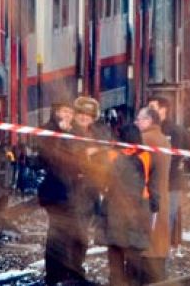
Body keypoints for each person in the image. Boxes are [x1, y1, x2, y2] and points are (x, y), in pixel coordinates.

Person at [147, 96, 190, 245]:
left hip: (171, 185)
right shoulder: (147, 131)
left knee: (165, 223)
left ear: (163, 110)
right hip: (152, 185)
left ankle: (161, 260)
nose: (148, 111)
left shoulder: (176, 131)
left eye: (152, 107)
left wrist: (187, 166)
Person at [37, 101, 85, 285]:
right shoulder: (48, 131)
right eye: (65, 111)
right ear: (56, 112)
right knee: (58, 234)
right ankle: (55, 274)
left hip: (70, 190)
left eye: (71, 112)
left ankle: (66, 272)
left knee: (69, 233)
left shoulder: (72, 131)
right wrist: (64, 136)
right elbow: (50, 157)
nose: (68, 115)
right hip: (55, 191)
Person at [104, 124, 155, 286]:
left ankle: (116, 283)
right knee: (134, 251)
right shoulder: (146, 155)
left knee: (115, 251)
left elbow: (106, 179)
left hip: (115, 208)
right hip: (139, 208)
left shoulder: (112, 155)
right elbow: (150, 181)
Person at [69, 95, 111, 283]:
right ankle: (73, 271)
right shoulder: (70, 132)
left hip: (92, 188)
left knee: (84, 231)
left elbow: (106, 153)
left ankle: (77, 269)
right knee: (76, 232)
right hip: (75, 189)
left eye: (88, 114)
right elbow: (72, 155)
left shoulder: (98, 132)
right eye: (81, 114)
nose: (84, 117)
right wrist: (89, 153)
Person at [135, 107, 171, 284]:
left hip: (147, 199)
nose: (137, 123)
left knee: (147, 244)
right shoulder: (163, 138)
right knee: (158, 243)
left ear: (149, 120)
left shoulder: (145, 140)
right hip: (161, 196)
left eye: (139, 120)